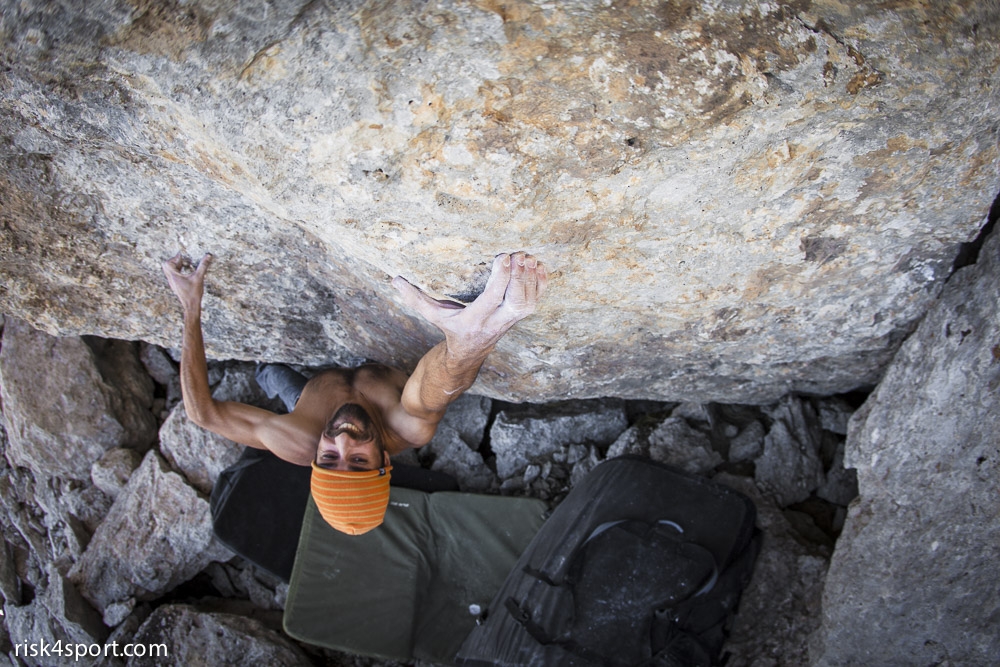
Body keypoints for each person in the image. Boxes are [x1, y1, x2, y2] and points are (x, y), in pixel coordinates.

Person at [162, 251, 547, 535]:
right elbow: (434, 394)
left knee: (273, 375)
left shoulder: (299, 438)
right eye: (359, 463)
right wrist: (469, 342)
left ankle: (265, 369)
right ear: (384, 461)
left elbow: (203, 415)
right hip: (373, 374)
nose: (342, 443)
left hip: (308, 398)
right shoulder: (407, 428)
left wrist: (190, 306)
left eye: (329, 459)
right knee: (420, 398)